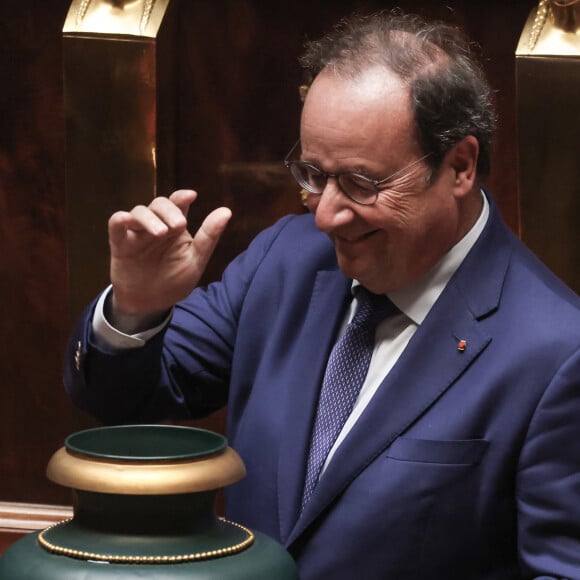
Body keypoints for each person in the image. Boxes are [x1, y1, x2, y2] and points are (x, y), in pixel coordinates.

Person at [64, 10, 580, 579]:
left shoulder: (556, 355)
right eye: (313, 174)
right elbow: (125, 404)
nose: (328, 215)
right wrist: (137, 308)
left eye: (361, 183)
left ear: (459, 166)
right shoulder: (285, 259)